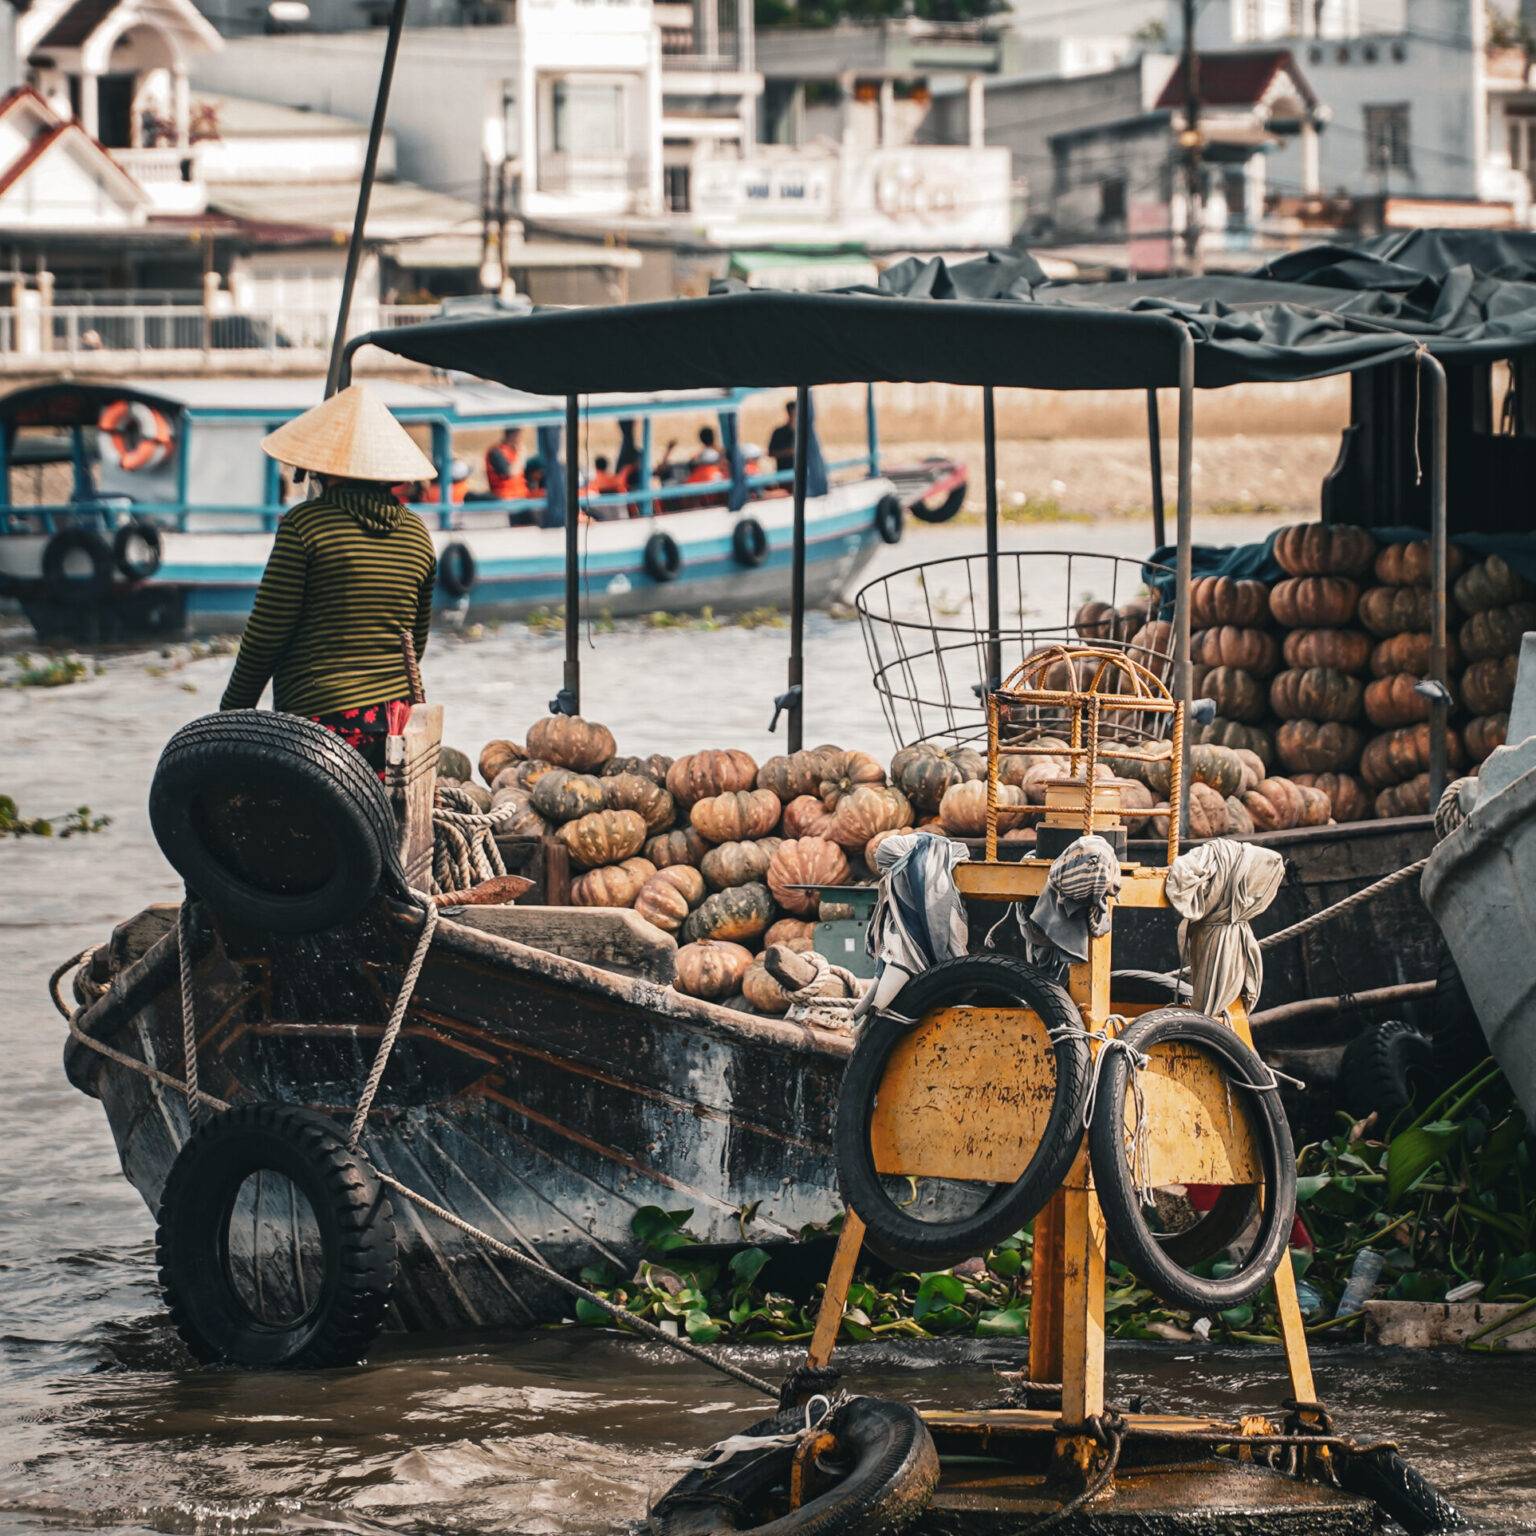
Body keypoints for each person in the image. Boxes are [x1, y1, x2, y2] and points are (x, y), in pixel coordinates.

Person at [219, 384, 438, 772]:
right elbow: (414, 645)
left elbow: (266, 635)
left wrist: (231, 713)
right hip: (395, 726)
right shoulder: (417, 533)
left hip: (320, 724)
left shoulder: (305, 526)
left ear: (322, 468)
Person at [485, 426, 525, 500]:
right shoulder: (495, 452)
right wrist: (521, 454)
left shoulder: (513, 451)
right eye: (519, 436)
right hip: (505, 498)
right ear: (513, 435)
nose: (520, 440)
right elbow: (510, 472)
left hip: (519, 497)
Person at [767, 399, 797, 476]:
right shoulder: (778, 432)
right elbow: (770, 453)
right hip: (784, 475)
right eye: (793, 413)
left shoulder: (804, 431)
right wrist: (787, 452)